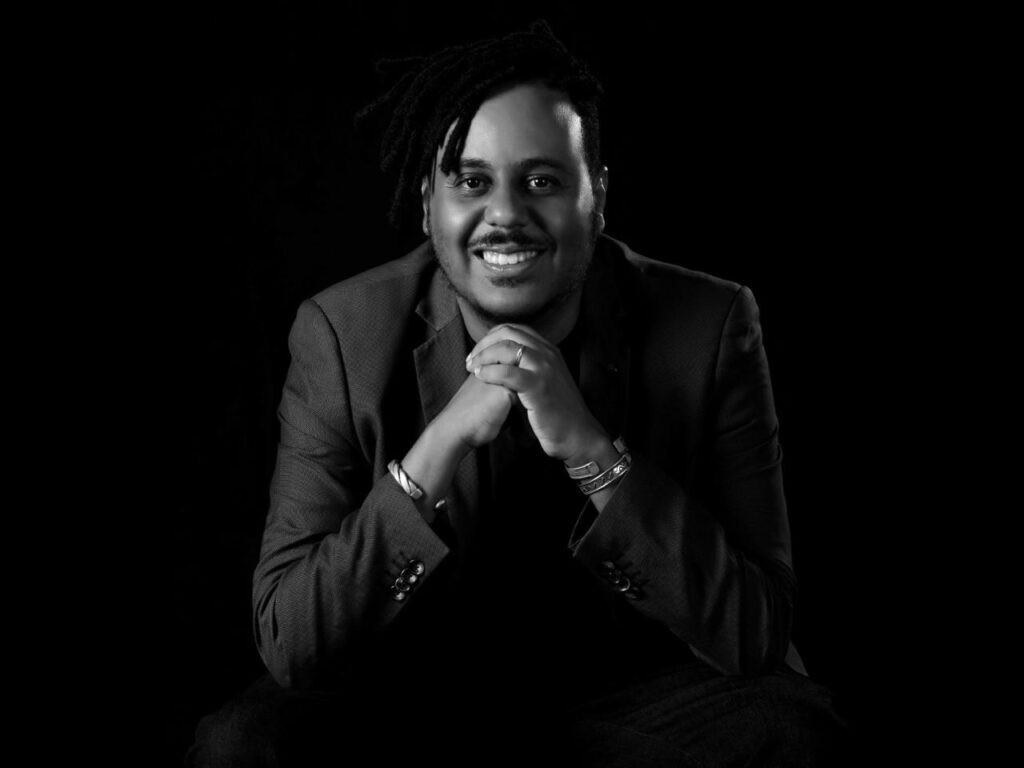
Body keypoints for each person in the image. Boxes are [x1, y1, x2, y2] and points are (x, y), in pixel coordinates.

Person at [188, 21, 850, 767]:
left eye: (541, 181)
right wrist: (437, 449)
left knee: (793, 732)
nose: (505, 214)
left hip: (634, 706)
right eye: (471, 182)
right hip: (409, 704)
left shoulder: (712, 324)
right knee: (241, 744)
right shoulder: (342, 333)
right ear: (428, 203)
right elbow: (292, 643)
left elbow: (756, 631)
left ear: (598, 197)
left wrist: (594, 454)